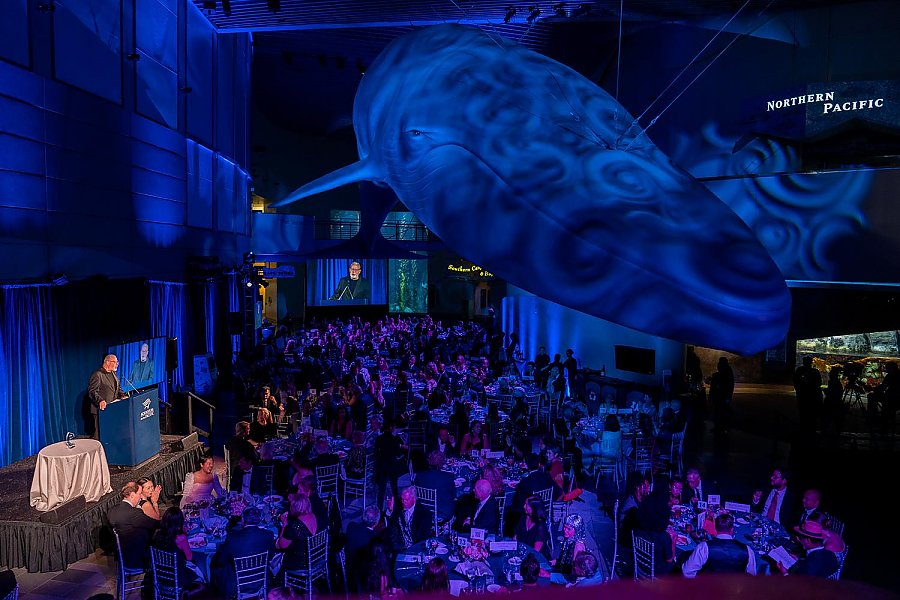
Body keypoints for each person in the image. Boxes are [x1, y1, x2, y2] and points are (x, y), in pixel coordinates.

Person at [212, 506, 277, 599]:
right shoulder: (268, 535)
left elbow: (221, 561)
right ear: (259, 519)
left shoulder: (232, 538)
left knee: (216, 567)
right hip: (262, 580)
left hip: (238, 583)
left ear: (242, 520)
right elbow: (270, 556)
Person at [682, 512, 756, 577]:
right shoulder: (747, 550)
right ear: (732, 529)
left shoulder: (704, 547)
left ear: (715, 528)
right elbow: (751, 576)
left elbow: (687, 571)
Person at [150, 507, 204, 593]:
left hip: (159, 577)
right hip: (177, 579)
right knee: (202, 574)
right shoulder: (181, 537)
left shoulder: (157, 534)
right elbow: (189, 557)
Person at [107, 481, 160, 569]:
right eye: (139, 494)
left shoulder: (112, 510)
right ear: (132, 495)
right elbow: (155, 524)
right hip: (137, 558)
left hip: (121, 557)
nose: (140, 497)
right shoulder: (134, 513)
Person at [87, 354, 127, 439]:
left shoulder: (113, 373)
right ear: (107, 362)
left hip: (112, 408)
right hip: (101, 409)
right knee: (100, 434)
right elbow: (92, 391)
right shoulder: (98, 374)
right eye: (115, 362)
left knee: (111, 432)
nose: (117, 364)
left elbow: (118, 388)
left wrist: (122, 396)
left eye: (117, 362)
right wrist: (100, 400)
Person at [277, 496, 319, 573]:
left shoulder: (294, 526)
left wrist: (284, 524)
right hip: (315, 556)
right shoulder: (313, 515)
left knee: (276, 554)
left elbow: (281, 545)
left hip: (301, 563)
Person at [414, 451, 457, 524]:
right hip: (443, 512)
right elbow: (454, 495)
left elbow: (416, 493)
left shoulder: (420, 476)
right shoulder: (449, 477)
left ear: (429, 461)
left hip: (424, 510)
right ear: (442, 462)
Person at [387, 486, 434, 551]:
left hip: (416, 548)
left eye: (406, 500)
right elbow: (392, 529)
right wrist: (390, 511)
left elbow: (424, 538)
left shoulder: (425, 514)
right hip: (400, 547)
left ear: (414, 499)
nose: (403, 502)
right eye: (402, 499)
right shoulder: (398, 507)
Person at [794, 356, 823, 431]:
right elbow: (819, 383)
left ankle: (803, 428)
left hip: (804, 396)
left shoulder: (799, 370)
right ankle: (811, 429)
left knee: (803, 414)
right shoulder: (815, 371)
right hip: (811, 397)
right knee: (811, 414)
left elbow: (796, 382)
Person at [708, 356, 734, 433]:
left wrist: (728, 396)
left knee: (722, 411)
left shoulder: (727, 372)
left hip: (722, 395)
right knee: (719, 411)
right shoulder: (727, 371)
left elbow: (728, 384)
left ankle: (722, 427)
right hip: (720, 395)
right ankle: (720, 427)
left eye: (720, 365)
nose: (719, 366)